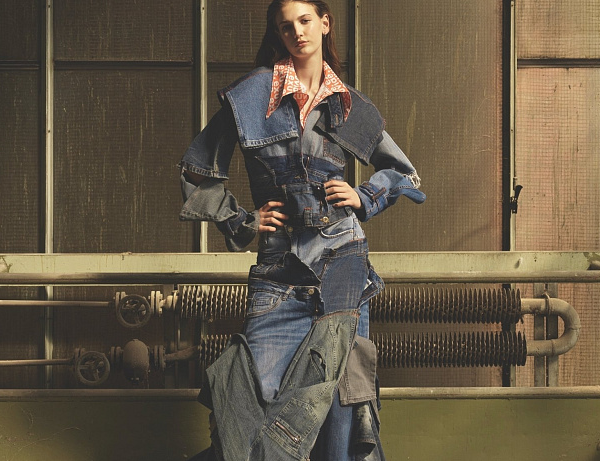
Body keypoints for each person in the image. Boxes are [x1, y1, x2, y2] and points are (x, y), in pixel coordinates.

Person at [179, 1, 425, 459]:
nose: (297, 33)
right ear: (278, 33)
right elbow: (196, 171)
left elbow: (405, 173)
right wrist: (244, 220)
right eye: (286, 26)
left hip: (344, 265)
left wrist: (364, 196)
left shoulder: (347, 103)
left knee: (343, 405)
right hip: (280, 270)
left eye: (306, 21)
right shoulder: (251, 95)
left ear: (324, 23)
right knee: (246, 405)